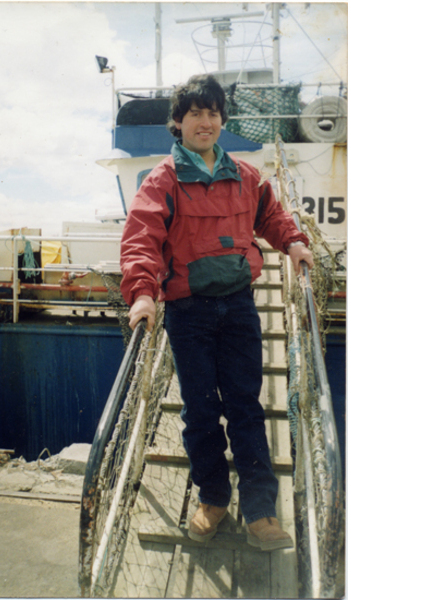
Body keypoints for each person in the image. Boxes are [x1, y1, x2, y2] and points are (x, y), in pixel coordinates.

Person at [119, 74, 313, 551]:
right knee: (201, 411)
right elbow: (142, 238)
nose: (204, 122)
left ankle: (262, 512)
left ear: (222, 120)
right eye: (194, 114)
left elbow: (271, 216)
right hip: (189, 312)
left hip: (240, 307)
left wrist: (293, 243)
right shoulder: (162, 181)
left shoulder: (245, 177)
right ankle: (213, 499)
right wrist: (143, 293)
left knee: (246, 406)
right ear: (178, 122)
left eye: (212, 113)